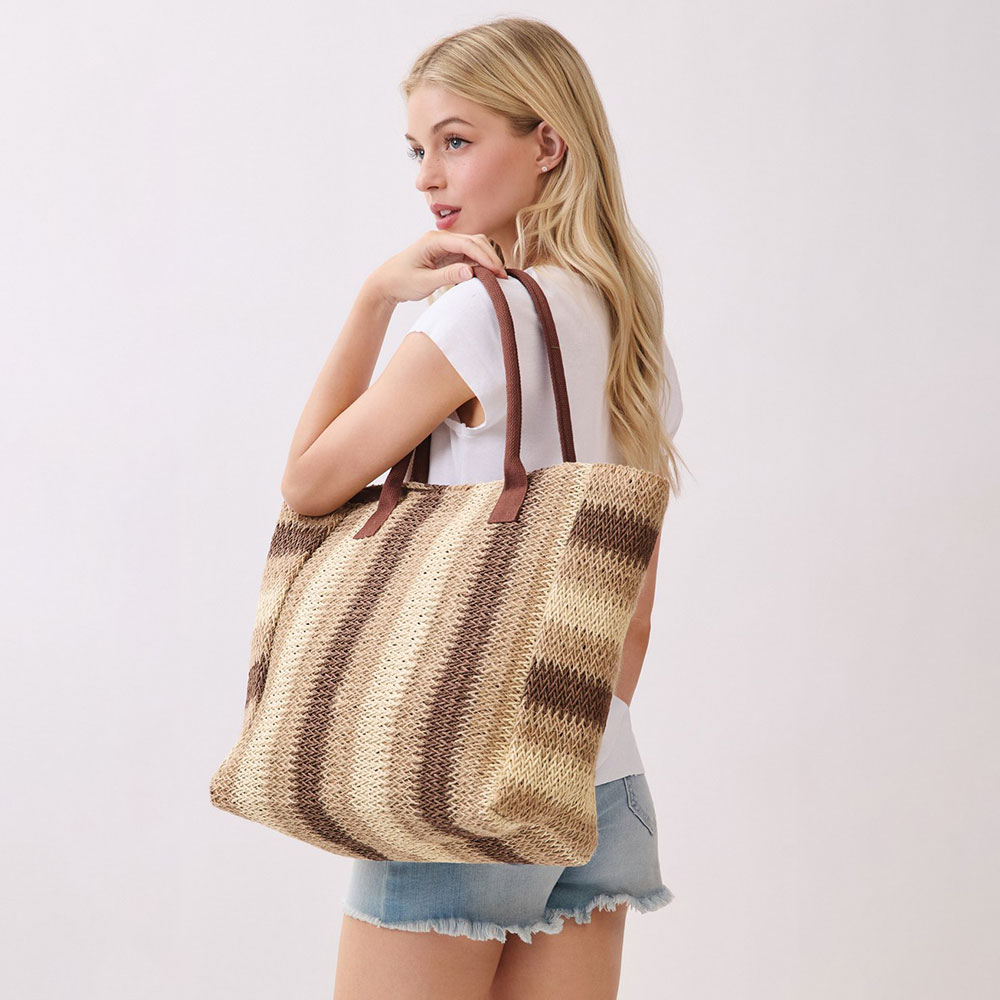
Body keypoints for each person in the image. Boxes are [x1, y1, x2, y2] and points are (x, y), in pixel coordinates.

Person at [279, 16, 686, 1000]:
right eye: (417, 149)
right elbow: (632, 613)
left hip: (462, 780)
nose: (429, 176)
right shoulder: (634, 337)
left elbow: (308, 484)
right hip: (599, 777)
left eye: (456, 140)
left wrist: (373, 300)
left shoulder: (476, 315)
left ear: (547, 143)